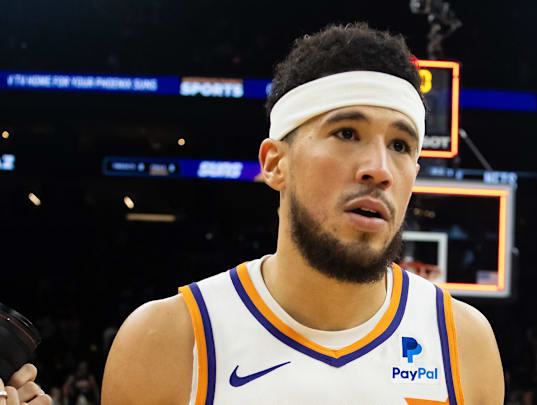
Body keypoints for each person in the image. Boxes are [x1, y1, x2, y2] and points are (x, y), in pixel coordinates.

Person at [102, 23, 504, 405]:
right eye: (347, 133)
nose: (380, 169)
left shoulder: (464, 345)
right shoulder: (166, 341)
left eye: (400, 145)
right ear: (275, 164)